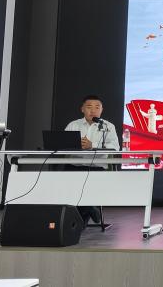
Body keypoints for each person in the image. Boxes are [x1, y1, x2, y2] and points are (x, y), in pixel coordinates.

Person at [63, 95, 120, 227]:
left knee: (86, 193)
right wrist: (74, 145)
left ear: (101, 110)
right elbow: (63, 145)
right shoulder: (73, 125)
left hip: (97, 168)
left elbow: (115, 148)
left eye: (97, 107)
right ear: (82, 109)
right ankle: (90, 209)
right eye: (89, 107)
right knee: (68, 190)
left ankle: (81, 221)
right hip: (74, 167)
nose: (93, 110)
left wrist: (92, 145)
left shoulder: (108, 126)